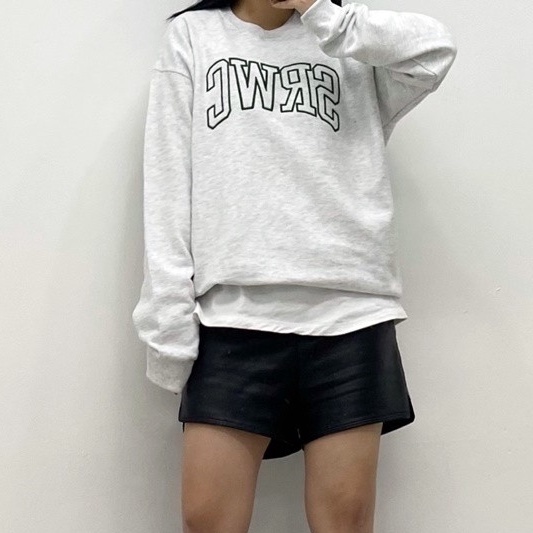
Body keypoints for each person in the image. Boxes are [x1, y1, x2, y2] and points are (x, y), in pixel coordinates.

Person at [131, 0, 457, 530]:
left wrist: (323, 13)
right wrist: (169, 331)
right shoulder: (193, 35)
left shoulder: (349, 40)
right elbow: (167, 185)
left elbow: (434, 50)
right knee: (207, 520)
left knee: (344, 523)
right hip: (231, 319)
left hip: (349, 318)